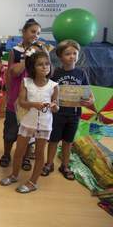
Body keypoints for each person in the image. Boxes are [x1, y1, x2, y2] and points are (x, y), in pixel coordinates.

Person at [0, 50, 59, 193]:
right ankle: (14, 175)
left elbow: (56, 107)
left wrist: (54, 106)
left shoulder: (54, 86)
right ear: (32, 67)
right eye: (40, 64)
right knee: (19, 151)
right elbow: (21, 102)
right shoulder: (26, 82)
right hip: (27, 123)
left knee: (39, 154)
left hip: (44, 125)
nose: (45, 67)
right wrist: (34, 105)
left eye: (47, 64)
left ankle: (33, 182)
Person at [42, 40, 94, 180]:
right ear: (60, 57)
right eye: (67, 54)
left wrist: (90, 101)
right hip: (57, 114)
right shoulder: (55, 73)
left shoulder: (81, 73)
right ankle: (49, 163)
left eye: (74, 53)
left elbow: (89, 95)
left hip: (74, 114)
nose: (72, 56)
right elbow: (48, 91)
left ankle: (65, 165)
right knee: (53, 140)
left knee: (68, 141)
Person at [0, 19, 42, 170]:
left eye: (38, 33)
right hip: (16, 98)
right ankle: (6, 154)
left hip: (33, 99)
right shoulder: (15, 51)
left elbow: (46, 72)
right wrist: (27, 56)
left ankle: (25, 157)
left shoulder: (41, 52)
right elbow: (13, 73)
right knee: (10, 129)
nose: (35, 35)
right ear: (23, 32)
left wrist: (38, 54)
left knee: (30, 130)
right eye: (32, 31)